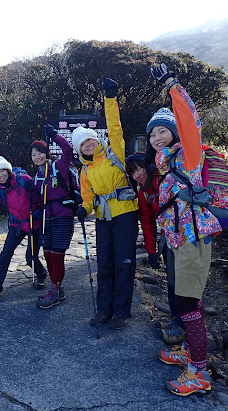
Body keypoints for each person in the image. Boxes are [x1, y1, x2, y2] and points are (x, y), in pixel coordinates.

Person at [147, 63, 221, 396]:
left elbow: (191, 121)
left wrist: (172, 85)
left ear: (175, 133)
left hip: (192, 236)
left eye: (162, 130)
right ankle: (191, 354)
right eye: (152, 133)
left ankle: (199, 373)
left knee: (188, 302)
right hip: (179, 238)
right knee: (185, 299)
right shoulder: (166, 163)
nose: (156, 137)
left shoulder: (188, 156)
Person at [74, 77, 139, 330]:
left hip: (125, 214)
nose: (88, 144)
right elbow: (88, 197)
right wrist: (84, 208)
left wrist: (110, 98)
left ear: (96, 139)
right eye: (83, 144)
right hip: (103, 218)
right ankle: (104, 310)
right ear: (80, 149)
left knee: (124, 262)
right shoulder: (85, 170)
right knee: (104, 265)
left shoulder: (115, 152)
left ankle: (121, 312)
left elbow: (115, 126)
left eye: (90, 140)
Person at [126, 154, 185, 345]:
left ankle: (184, 325)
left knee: (184, 282)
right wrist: (151, 251)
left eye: (138, 168)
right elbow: (147, 221)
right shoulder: (143, 191)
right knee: (172, 280)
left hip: (184, 236)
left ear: (146, 166)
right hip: (168, 239)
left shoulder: (162, 179)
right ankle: (176, 320)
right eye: (133, 172)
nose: (137, 174)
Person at [0, 155, 47, 302]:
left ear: (8, 170)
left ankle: (41, 274)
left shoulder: (24, 180)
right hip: (17, 225)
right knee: (5, 255)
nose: (0, 175)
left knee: (30, 257)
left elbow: (40, 196)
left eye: (2, 171)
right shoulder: (0, 190)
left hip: (35, 223)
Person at [30, 125, 80, 309]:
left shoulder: (58, 166)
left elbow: (68, 149)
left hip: (62, 216)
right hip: (46, 219)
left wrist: (55, 136)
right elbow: (36, 199)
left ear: (47, 152)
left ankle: (55, 287)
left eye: (40, 153)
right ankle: (56, 288)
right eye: (34, 155)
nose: (37, 157)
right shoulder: (37, 177)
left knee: (57, 254)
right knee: (48, 254)